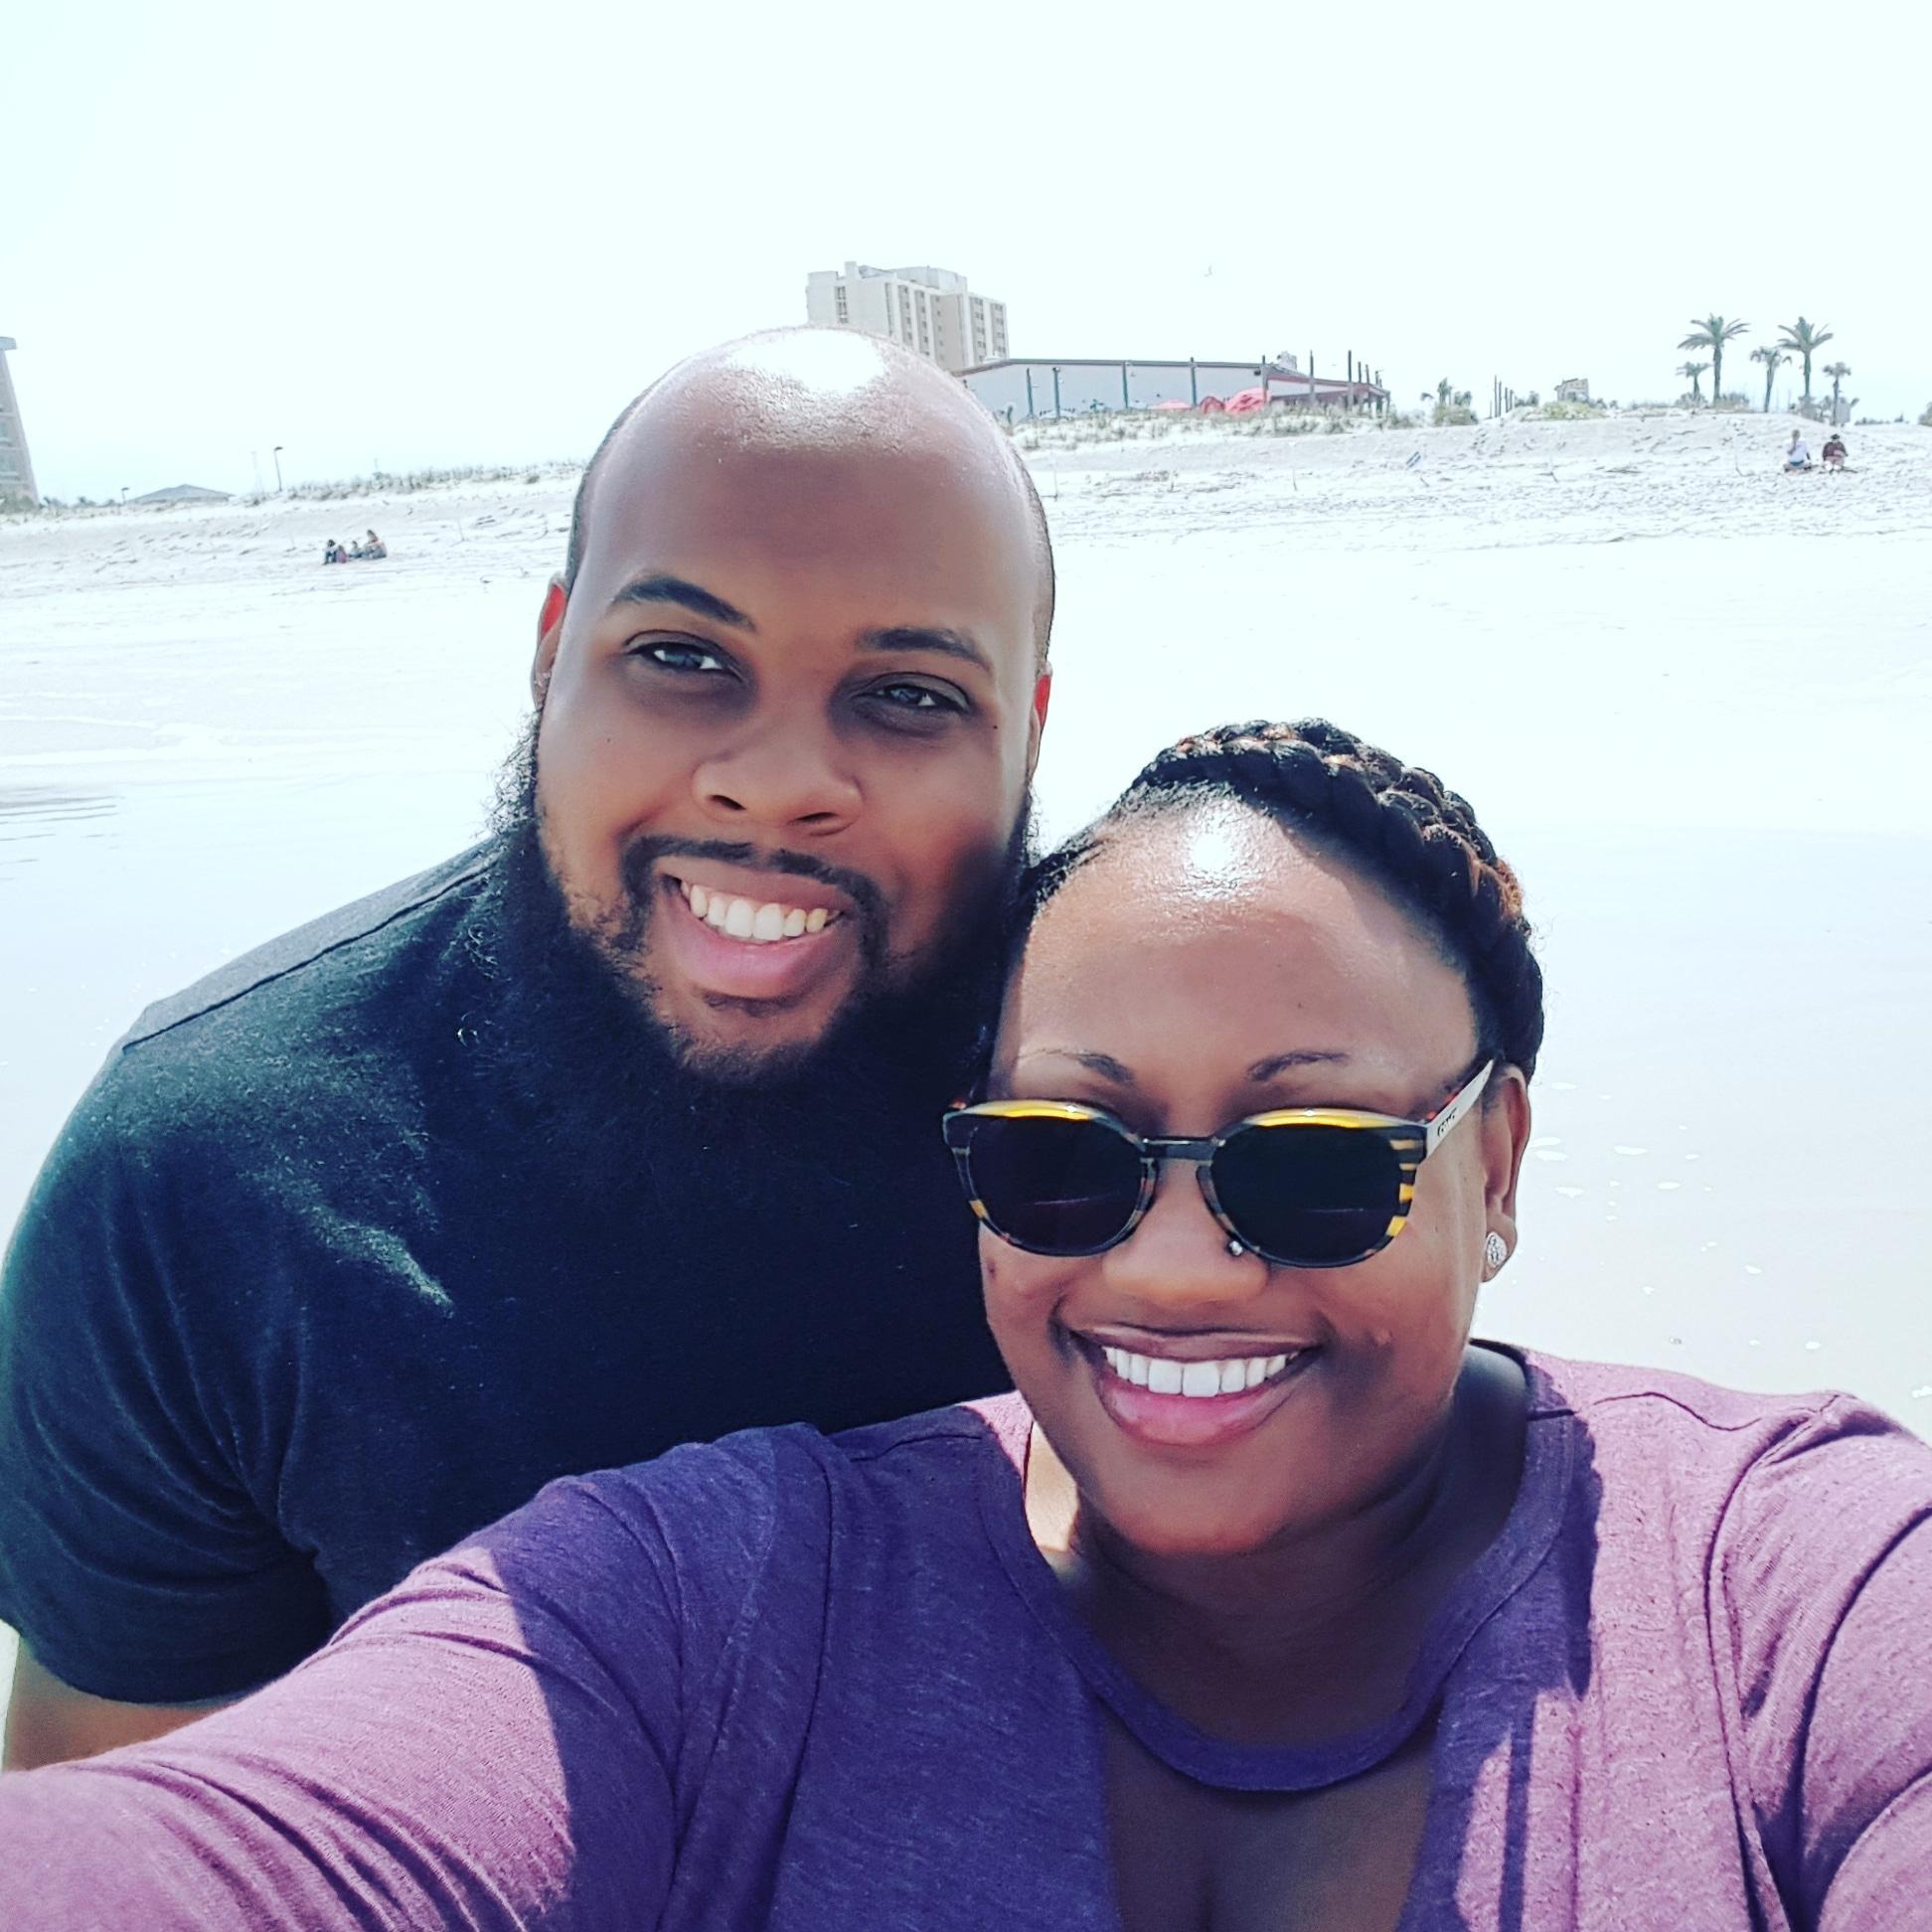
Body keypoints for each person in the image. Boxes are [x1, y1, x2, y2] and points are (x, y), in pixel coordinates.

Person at [2, 718, 1925, 1930]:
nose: (1176, 1268)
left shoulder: (1785, 1588)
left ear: (1491, 1164)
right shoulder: (713, 1606)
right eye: (1062, 1160)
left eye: (1316, 1168)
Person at [0, 328, 1055, 1770]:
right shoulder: (203, 1187)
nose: (775, 782)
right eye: (681, 657)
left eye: (911, 694)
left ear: (1027, 728)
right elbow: (124, 1822)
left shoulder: (1166, 1137)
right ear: (554, 655)